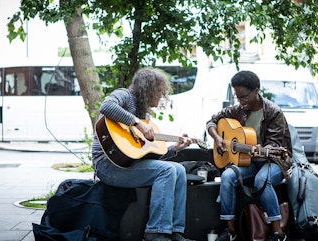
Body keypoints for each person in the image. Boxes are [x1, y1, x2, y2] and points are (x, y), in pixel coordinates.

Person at [91, 67, 195, 241]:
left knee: (178, 169)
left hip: (126, 165)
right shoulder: (124, 95)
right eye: (159, 92)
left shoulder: (143, 114)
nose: (161, 96)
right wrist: (137, 123)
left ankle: (175, 230)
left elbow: (147, 156)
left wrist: (174, 148)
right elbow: (106, 106)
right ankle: (156, 232)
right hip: (107, 165)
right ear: (148, 89)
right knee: (168, 171)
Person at [206, 71, 292, 241]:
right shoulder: (237, 110)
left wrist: (261, 149)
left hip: (274, 160)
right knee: (228, 176)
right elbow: (211, 122)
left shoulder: (273, 112)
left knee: (262, 180)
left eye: (244, 97)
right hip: (248, 162)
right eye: (237, 97)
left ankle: (278, 232)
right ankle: (230, 230)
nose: (241, 101)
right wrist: (218, 138)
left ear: (256, 90)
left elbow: (275, 145)